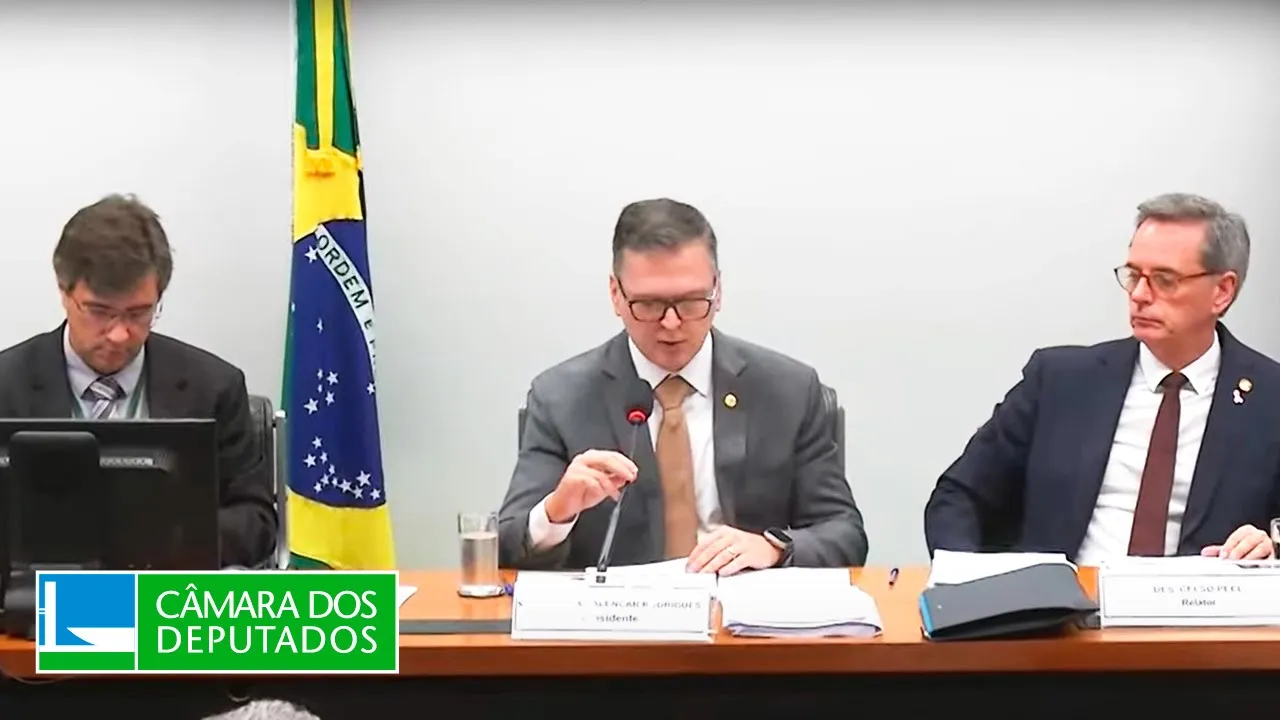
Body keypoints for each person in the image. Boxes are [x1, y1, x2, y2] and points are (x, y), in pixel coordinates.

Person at [498, 198, 867, 574]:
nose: (671, 323)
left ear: (717, 291)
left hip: (741, 605)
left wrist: (773, 548)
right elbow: (508, 546)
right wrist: (556, 513)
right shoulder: (561, 398)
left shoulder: (788, 391)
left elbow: (845, 534)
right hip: (619, 610)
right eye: (649, 304)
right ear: (615, 295)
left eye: (691, 302)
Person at [925, 192, 1278, 563]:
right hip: (1065, 595)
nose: (1139, 295)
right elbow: (958, 496)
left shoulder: (1271, 400)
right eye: (1134, 275)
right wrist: (973, 582)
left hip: (1198, 598)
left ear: (1222, 291)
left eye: (1164, 280)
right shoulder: (1059, 382)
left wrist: (1271, 547)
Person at [0, 194, 277, 568]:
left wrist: (173, 542)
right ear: (64, 292)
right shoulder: (6, 384)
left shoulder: (215, 388)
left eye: (139, 313)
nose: (119, 335)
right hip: (35, 595)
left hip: (165, 592)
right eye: (99, 311)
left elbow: (256, 520)